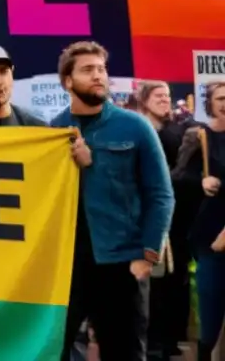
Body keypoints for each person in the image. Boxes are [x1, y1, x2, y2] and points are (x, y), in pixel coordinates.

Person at [51, 41, 174, 361]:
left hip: (122, 263)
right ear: (67, 81)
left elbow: (161, 194)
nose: (98, 76)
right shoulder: (52, 130)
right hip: (69, 266)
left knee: (126, 353)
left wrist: (147, 256)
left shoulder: (135, 126)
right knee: (53, 349)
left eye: (102, 69)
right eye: (88, 70)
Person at [136, 80, 196, 359]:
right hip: (145, 220)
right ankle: (152, 342)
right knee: (152, 283)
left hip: (177, 220)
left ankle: (169, 339)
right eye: (158, 95)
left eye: (168, 96)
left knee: (174, 281)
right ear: (144, 99)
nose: (164, 100)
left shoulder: (178, 132)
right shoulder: (138, 130)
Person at [181, 80, 225, 361]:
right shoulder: (200, 136)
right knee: (210, 316)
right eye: (220, 98)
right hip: (209, 237)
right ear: (210, 103)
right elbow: (176, 177)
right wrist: (201, 181)